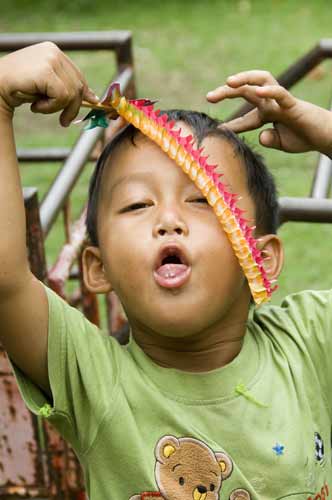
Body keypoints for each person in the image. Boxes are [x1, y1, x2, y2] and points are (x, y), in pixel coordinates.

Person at [0, 43, 331, 500]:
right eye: (137, 204)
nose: (168, 219)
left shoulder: (309, 345)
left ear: (262, 257)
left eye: (202, 200)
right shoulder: (93, 379)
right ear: (97, 269)